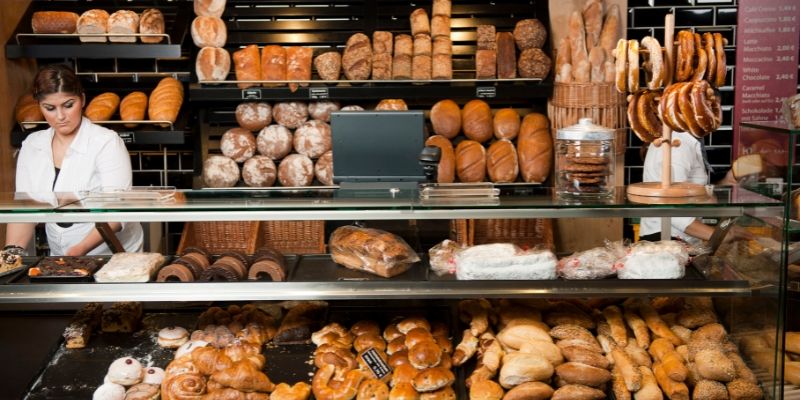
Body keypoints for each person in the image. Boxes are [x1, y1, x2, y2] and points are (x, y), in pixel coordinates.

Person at [4, 64, 143, 256]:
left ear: (83, 99)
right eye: (50, 108)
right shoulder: (32, 145)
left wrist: (78, 251)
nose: (60, 116)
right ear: (40, 106)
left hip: (111, 254)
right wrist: (11, 253)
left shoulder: (107, 143)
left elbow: (117, 214)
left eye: (68, 105)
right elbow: (26, 209)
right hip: (61, 252)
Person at [638, 130, 739, 245]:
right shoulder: (678, 145)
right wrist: (719, 236)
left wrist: (725, 182)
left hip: (675, 239)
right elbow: (672, 209)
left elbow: (688, 193)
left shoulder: (684, 141)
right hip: (666, 239)